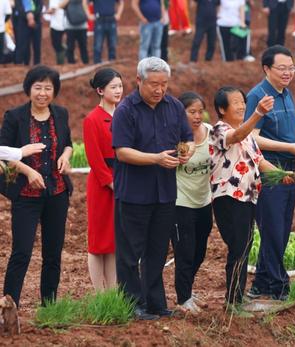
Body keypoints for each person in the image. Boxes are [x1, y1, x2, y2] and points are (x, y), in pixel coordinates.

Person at [111, 57, 194, 320]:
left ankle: (156, 303)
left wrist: (186, 152)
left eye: (164, 84)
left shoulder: (175, 106)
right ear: (139, 81)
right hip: (135, 193)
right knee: (129, 254)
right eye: (154, 84)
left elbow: (187, 138)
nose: (159, 90)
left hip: (165, 192)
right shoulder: (126, 110)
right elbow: (122, 152)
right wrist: (156, 158)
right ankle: (132, 305)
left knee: (157, 251)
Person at [211, 86, 295, 309]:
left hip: (248, 197)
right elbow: (236, 135)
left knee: (245, 245)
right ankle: (233, 299)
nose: (241, 106)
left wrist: (283, 175)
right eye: (235, 102)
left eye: (242, 101)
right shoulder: (219, 129)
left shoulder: (248, 136)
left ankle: (238, 294)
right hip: (229, 197)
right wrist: (258, 113)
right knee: (238, 246)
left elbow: (260, 161)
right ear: (222, 108)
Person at [0, 65, 73, 307]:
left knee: (52, 254)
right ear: (29, 89)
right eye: (38, 87)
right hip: (26, 194)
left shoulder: (60, 114)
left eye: (48, 88)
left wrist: (66, 155)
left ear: (55, 91)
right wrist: (28, 170)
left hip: (57, 192)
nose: (43, 93)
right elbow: (4, 152)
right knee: (21, 252)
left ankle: (49, 306)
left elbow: (69, 143)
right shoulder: (15, 116)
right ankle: (9, 306)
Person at [244, 45, 295, 300]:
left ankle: (261, 282)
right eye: (281, 68)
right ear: (266, 69)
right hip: (268, 168)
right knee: (272, 228)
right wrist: (290, 147)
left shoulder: (286, 93)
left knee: (281, 228)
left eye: (291, 68)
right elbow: (252, 138)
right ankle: (279, 284)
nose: (287, 73)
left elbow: (292, 128)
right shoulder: (257, 96)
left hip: (289, 169)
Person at [171, 92, 212, 314]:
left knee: (200, 251)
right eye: (191, 112)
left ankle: (187, 289)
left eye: (199, 111)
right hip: (180, 202)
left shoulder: (211, 132)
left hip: (204, 200)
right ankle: (183, 298)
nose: (197, 116)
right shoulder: (174, 136)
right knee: (184, 251)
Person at [83, 68, 123, 291]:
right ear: (100, 90)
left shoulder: (124, 114)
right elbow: (95, 158)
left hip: (124, 180)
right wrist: (111, 183)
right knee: (99, 241)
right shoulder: (92, 119)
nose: (118, 91)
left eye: (120, 86)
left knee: (115, 241)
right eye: (113, 87)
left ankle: (114, 292)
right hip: (103, 184)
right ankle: (100, 294)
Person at [60, 0, 93, 64]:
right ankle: (71, 62)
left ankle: (85, 62)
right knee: (70, 46)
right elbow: (60, 6)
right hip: (70, 26)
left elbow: (88, 3)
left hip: (82, 26)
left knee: (83, 45)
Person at [13, 0, 42, 65]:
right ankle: (25, 63)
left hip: (36, 20)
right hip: (22, 21)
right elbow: (18, 6)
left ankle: (37, 64)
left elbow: (40, 5)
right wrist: (27, 16)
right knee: (24, 44)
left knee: (37, 44)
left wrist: (33, 15)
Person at [45, 0, 66, 65]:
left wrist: (45, 12)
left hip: (60, 23)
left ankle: (61, 61)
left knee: (57, 44)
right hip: (58, 23)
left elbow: (53, 10)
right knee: (57, 44)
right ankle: (62, 58)